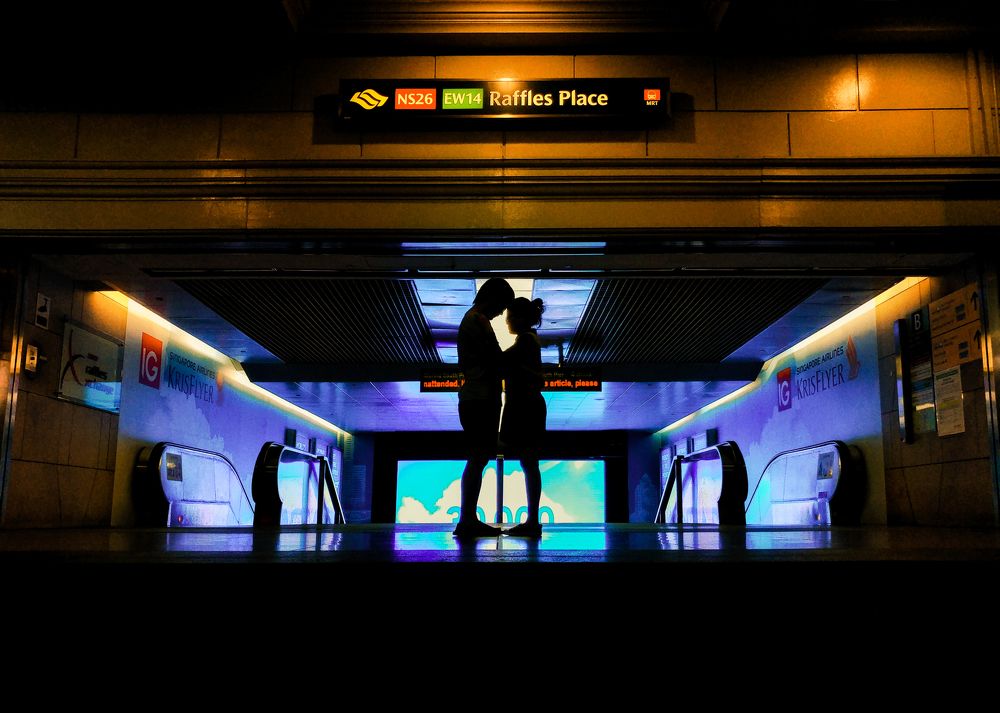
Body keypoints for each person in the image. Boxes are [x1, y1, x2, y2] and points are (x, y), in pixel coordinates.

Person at [453, 278, 515, 539]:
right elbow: (496, 358)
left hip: (475, 397)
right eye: (501, 305)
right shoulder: (478, 320)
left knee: (477, 457)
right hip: (480, 399)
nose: (501, 312)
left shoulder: (473, 319)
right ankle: (467, 519)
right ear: (491, 298)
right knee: (478, 457)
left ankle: (468, 517)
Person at [499, 297, 546, 538]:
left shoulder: (526, 341)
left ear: (519, 318)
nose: (506, 321)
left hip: (525, 407)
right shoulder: (529, 341)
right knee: (529, 463)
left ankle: (532, 521)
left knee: (528, 462)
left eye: (509, 316)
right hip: (528, 406)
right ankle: (532, 520)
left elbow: (502, 361)